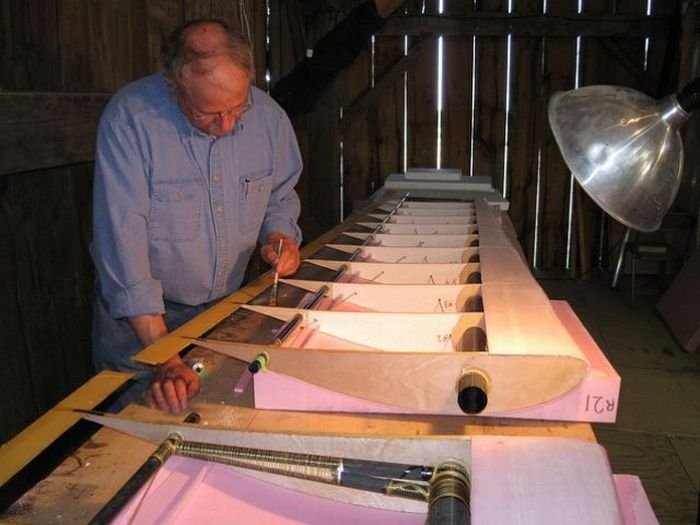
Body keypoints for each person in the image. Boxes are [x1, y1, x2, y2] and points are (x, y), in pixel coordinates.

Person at [90, 19, 302, 414]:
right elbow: (122, 243)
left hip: (222, 312)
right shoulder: (131, 121)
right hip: (141, 318)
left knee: (219, 414)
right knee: (137, 436)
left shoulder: (270, 118)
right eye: (206, 114)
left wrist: (279, 236)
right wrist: (164, 358)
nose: (225, 125)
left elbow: (278, 194)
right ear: (175, 86)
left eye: (237, 109)